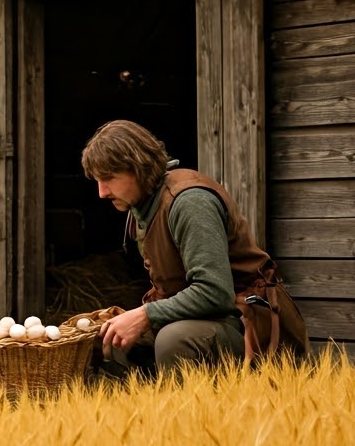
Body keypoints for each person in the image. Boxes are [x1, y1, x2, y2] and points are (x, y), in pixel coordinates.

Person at [80, 119, 308, 374]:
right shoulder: (142, 204)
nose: (101, 192)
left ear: (138, 168)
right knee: (102, 339)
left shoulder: (189, 202)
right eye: (98, 181)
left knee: (175, 340)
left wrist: (145, 315)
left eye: (108, 178)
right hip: (205, 320)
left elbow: (215, 293)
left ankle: (192, 409)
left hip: (249, 327)